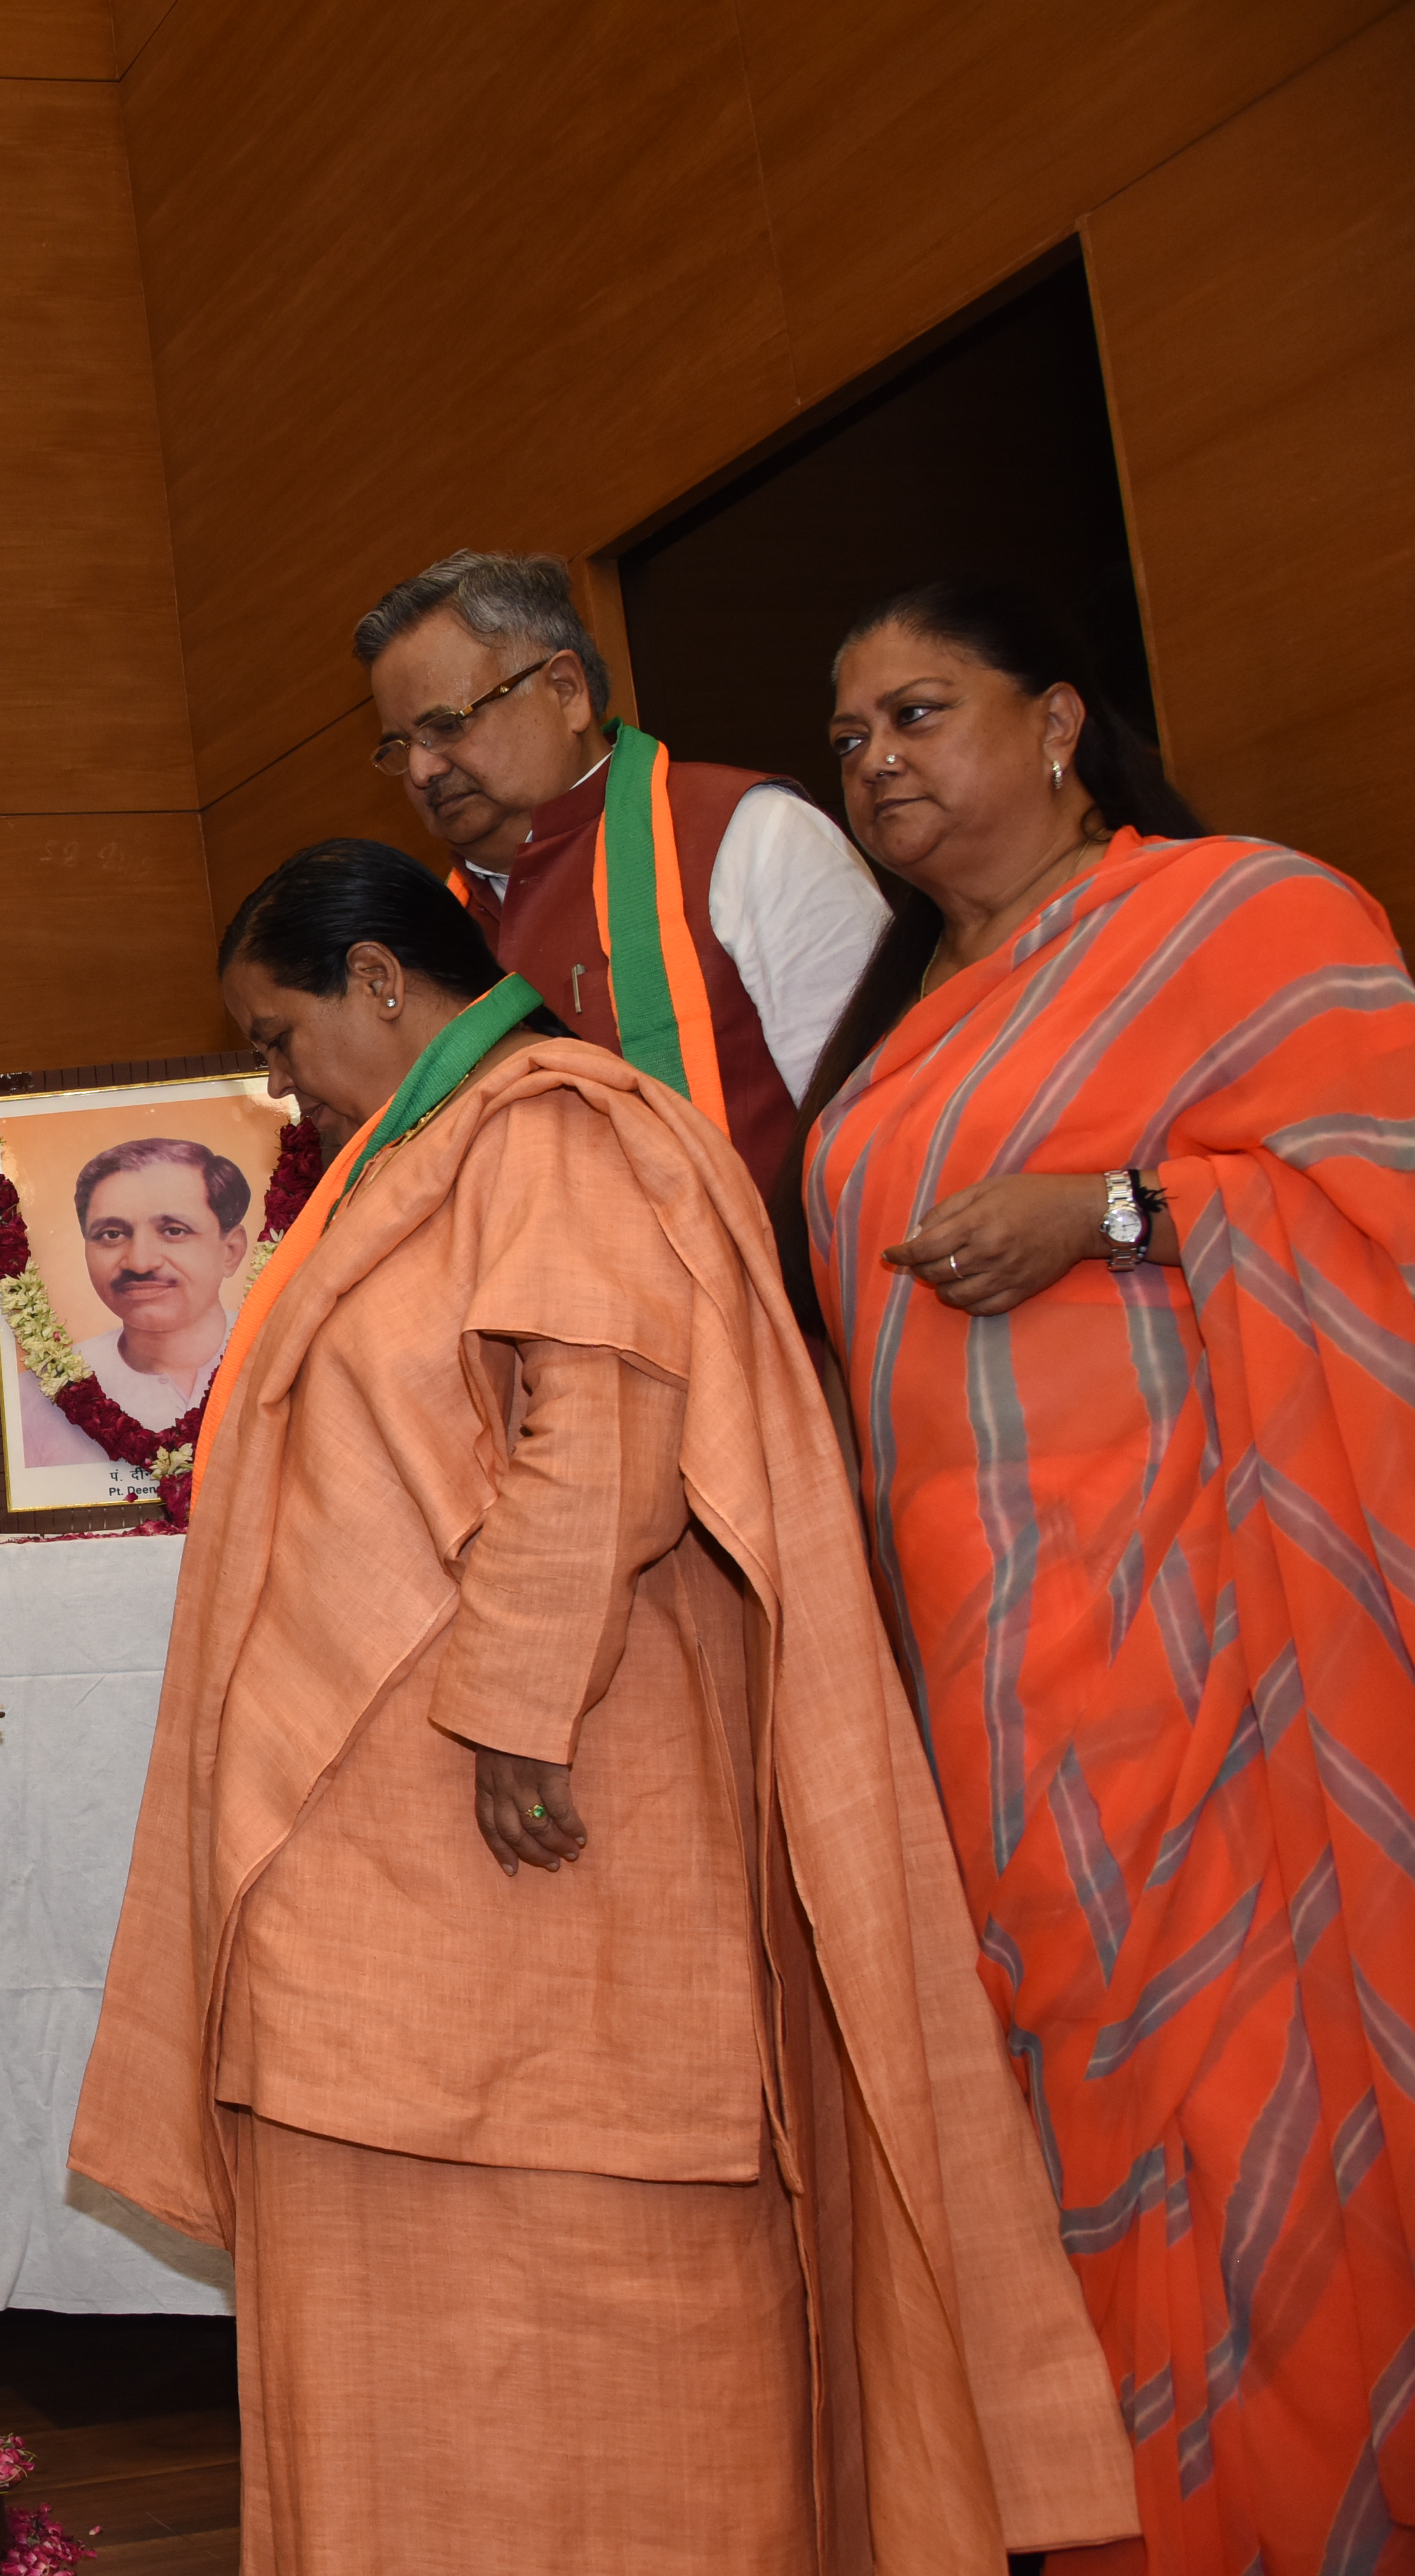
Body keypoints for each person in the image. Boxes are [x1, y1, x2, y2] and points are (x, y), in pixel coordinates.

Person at [71, 840, 1133, 2569]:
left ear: (377, 984)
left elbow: (605, 1427)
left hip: (537, 1814)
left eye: (277, 1035)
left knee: (583, 2216)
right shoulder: (427, 1154)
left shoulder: (553, 1128)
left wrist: (513, 1703)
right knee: (384, 2220)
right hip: (402, 1863)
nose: (277, 1083)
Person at [800, 580, 1415, 2572]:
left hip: (1228, 1652)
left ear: (1059, 719)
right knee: (1066, 2085)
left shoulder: (1249, 922)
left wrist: (1128, 1209)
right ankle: (1128, 2517)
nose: (878, 760)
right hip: (987, 1679)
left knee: (1261, 2084)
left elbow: (1382, 1196)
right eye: (850, 737)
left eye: (918, 710)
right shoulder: (893, 1032)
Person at [354, 550, 888, 1209]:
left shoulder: (748, 835)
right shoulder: (434, 935)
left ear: (566, 692)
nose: (422, 772)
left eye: (447, 726)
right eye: (399, 748)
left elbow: (879, 1125)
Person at [17, 1135, 246, 1468]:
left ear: (231, 1251)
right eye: (112, 1234)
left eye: (174, 1231)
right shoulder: (33, 1401)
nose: (140, 1263)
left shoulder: (288, 1364)